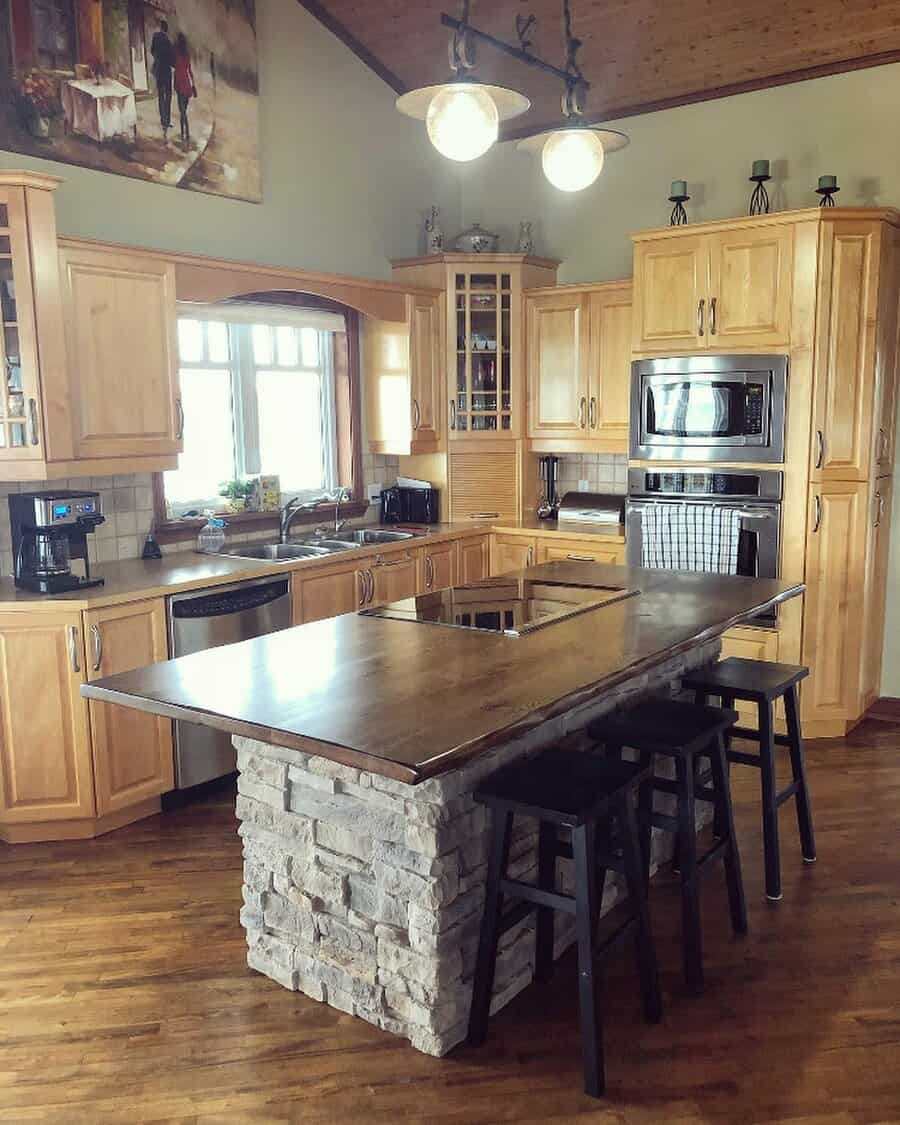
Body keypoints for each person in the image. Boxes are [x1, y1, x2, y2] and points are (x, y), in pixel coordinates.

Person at [150, 18, 175, 139]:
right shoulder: (169, 42)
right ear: (167, 29)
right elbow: (172, 60)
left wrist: (157, 59)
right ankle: (167, 120)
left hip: (159, 70)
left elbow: (152, 51)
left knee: (160, 95)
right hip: (167, 72)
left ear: (161, 28)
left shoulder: (155, 37)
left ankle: (162, 119)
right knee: (168, 96)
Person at [173, 32, 197, 147]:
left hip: (179, 83)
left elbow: (175, 68)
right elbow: (190, 71)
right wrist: (193, 86)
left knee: (182, 111)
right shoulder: (186, 54)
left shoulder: (176, 54)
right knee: (183, 111)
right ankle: (185, 133)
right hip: (187, 85)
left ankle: (185, 134)